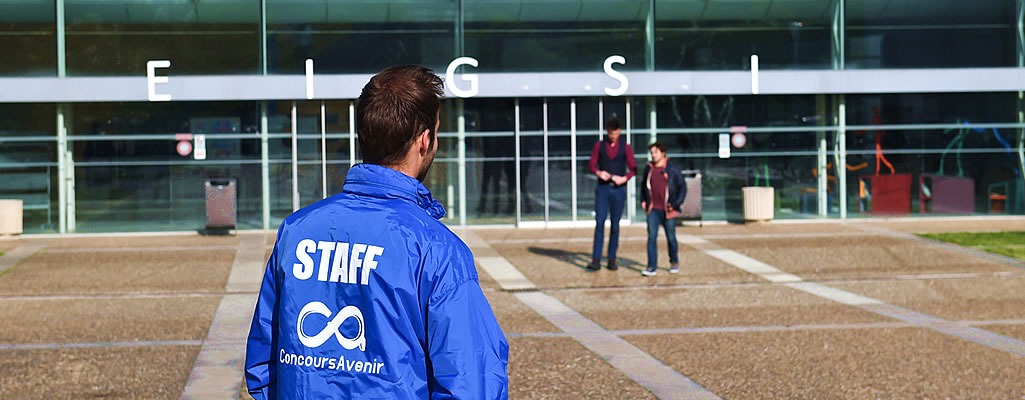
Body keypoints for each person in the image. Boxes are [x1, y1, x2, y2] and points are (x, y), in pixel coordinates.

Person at [245, 65, 509, 399]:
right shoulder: (436, 249)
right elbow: (472, 383)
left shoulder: (297, 231)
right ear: (425, 140)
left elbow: (263, 366)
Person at [587, 117, 637, 271]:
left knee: (615, 225)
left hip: (618, 189)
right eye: (610, 133)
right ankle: (596, 259)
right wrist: (598, 172)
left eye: (615, 133)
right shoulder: (599, 146)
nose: (613, 136)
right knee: (600, 222)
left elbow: (633, 168)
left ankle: (611, 258)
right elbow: (591, 164)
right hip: (603, 188)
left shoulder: (625, 147)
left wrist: (624, 179)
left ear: (619, 132)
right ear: (607, 132)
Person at [639, 141, 686, 276]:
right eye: (651, 153)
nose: (653, 155)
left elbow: (682, 187)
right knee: (651, 238)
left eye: (656, 152)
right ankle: (651, 267)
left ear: (663, 153)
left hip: (668, 210)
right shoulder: (649, 169)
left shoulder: (672, 169)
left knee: (671, 237)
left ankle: (674, 261)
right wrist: (643, 200)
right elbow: (643, 186)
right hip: (653, 209)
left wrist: (676, 203)